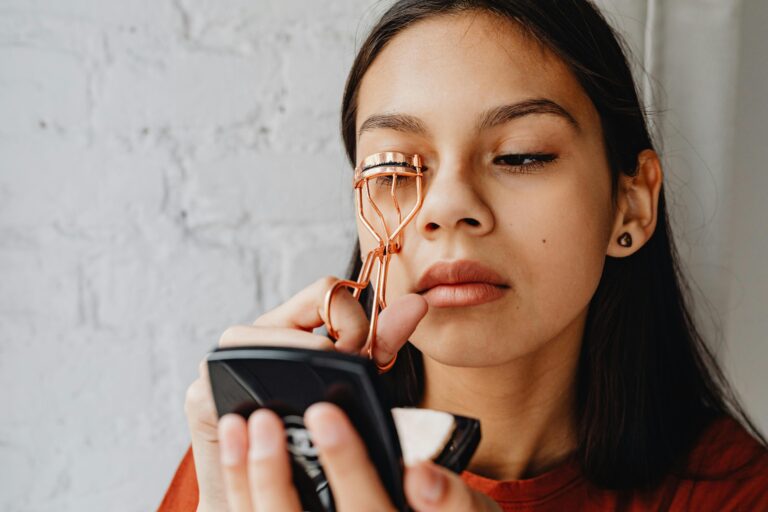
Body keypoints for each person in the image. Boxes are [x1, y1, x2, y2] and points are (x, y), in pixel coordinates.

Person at [159, 1, 768, 510]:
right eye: (394, 166)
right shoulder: (250, 457)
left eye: (521, 155)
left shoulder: (738, 492)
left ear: (630, 205)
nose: (446, 208)